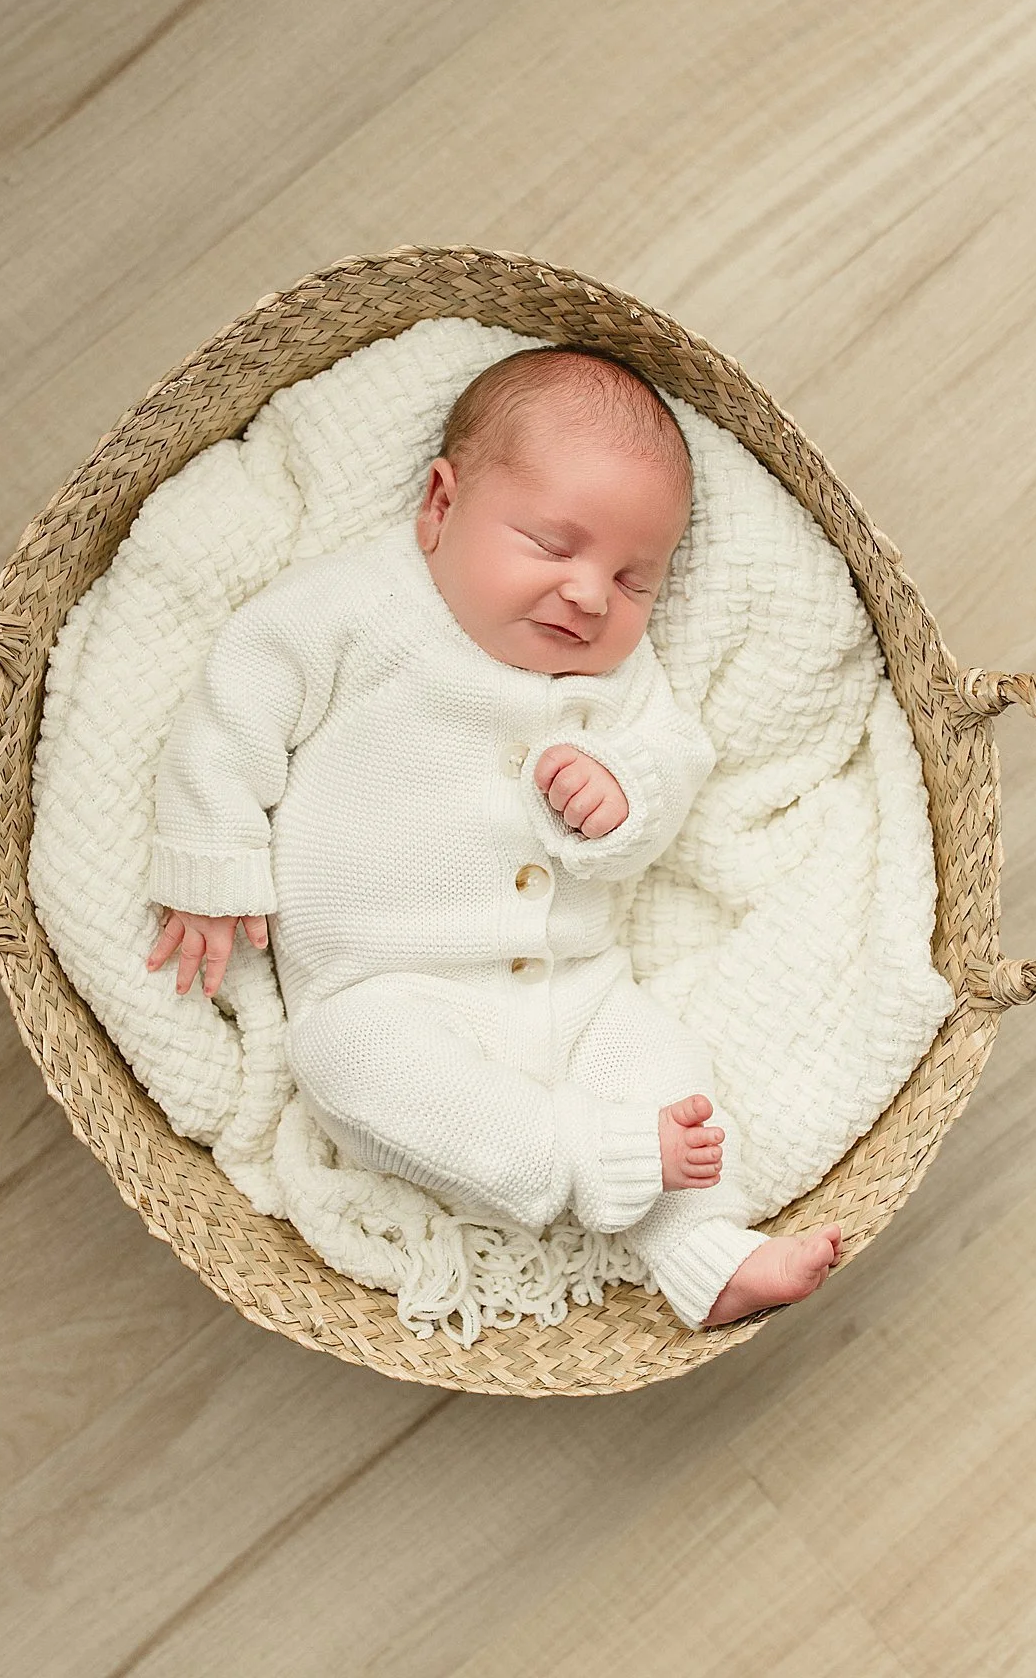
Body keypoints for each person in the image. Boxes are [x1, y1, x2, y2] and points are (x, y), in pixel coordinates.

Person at [145, 342, 840, 1329]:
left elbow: (673, 760)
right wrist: (212, 862)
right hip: (391, 986)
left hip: (572, 987)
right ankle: (566, 1155)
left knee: (661, 1066)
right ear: (440, 504)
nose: (592, 595)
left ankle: (705, 1248)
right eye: (555, 546)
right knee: (344, 1058)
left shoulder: (617, 684)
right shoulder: (356, 610)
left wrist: (621, 795)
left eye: (635, 580)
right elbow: (235, 705)